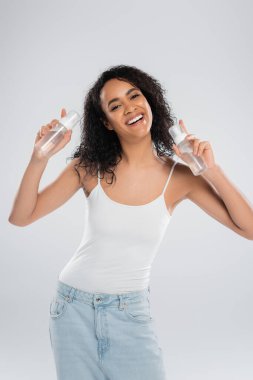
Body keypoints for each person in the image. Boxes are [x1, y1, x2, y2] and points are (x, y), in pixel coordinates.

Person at [8, 64, 253, 380]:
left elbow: (249, 228)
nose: (129, 108)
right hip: (72, 308)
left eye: (134, 96)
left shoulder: (180, 177)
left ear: (149, 101)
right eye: (115, 105)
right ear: (107, 123)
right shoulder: (88, 168)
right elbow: (21, 217)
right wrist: (38, 158)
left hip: (130, 313)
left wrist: (210, 170)